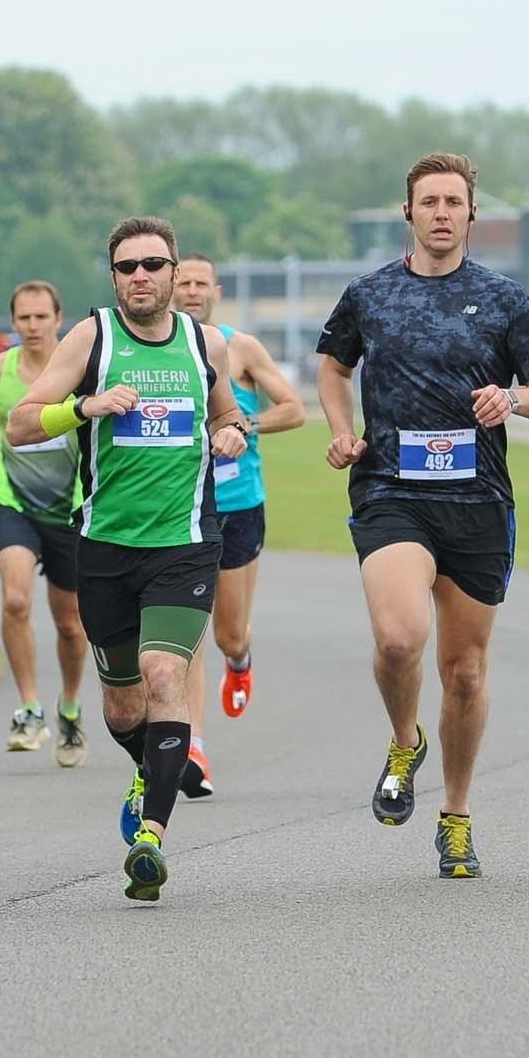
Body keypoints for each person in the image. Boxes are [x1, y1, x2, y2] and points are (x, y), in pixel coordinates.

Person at [317, 152, 529, 880]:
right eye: (427, 202)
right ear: (409, 213)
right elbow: (333, 365)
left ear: (470, 215)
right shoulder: (369, 295)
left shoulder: (502, 298)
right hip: (391, 490)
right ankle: (404, 740)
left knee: (463, 673)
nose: (439, 213)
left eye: (452, 202)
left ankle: (455, 817)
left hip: (478, 502)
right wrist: (341, 428)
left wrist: (512, 399)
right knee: (400, 641)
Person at [8, 217, 249, 902]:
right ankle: (147, 767)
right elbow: (24, 422)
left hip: (185, 543)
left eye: (153, 264)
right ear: (113, 278)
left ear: (175, 273)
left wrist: (232, 435)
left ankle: (152, 837)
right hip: (106, 546)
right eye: (127, 267)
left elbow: (229, 416)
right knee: (121, 707)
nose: (141, 276)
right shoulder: (93, 337)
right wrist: (84, 406)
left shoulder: (206, 345)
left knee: (165, 675)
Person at [169, 254, 305, 798]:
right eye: (184, 282)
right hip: (181, 507)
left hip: (239, 503)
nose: (192, 291)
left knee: (227, 632)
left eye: (202, 283)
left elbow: (294, 408)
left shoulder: (241, 347)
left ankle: (242, 659)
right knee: (188, 629)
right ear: (170, 287)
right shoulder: (161, 347)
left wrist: (246, 422)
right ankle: (194, 747)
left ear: (216, 291)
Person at [0, 280, 90, 764]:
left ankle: (71, 710)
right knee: (16, 598)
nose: (33, 327)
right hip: (13, 500)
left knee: (71, 623)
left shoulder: (79, 368)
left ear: (60, 318)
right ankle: (30, 708)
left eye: (42, 317)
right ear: (13, 321)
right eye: (24, 318)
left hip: (71, 506)